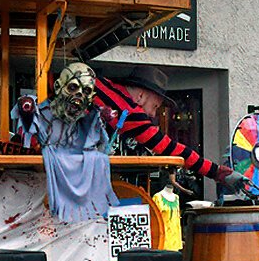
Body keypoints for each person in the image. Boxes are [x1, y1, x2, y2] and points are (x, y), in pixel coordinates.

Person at [92, 66, 248, 192]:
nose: (152, 114)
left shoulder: (101, 84)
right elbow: (171, 148)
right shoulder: (132, 113)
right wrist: (218, 172)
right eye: (155, 106)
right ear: (140, 96)